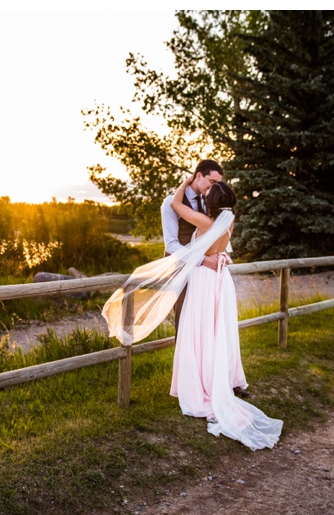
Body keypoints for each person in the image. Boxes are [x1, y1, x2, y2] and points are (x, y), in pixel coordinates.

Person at [101, 174, 282, 451]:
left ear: (210, 202)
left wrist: (187, 181)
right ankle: (214, 381)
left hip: (203, 282)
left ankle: (199, 387)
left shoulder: (204, 221)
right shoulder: (229, 221)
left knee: (196, 332)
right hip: (221, 282)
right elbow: (222, 249)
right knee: (213, 333)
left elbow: (175, 203)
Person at [160, 159, 223, 336]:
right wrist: (203, 260)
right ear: (198, 176)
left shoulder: (210, 201)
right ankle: (184, 362)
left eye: (218, 184)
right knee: (184, 319)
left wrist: (220, 256)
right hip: (182, 268)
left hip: (206, 270)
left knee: (205, 320)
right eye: (212, 182)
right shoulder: (171, 202)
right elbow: (171, 244)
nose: (215, 188)